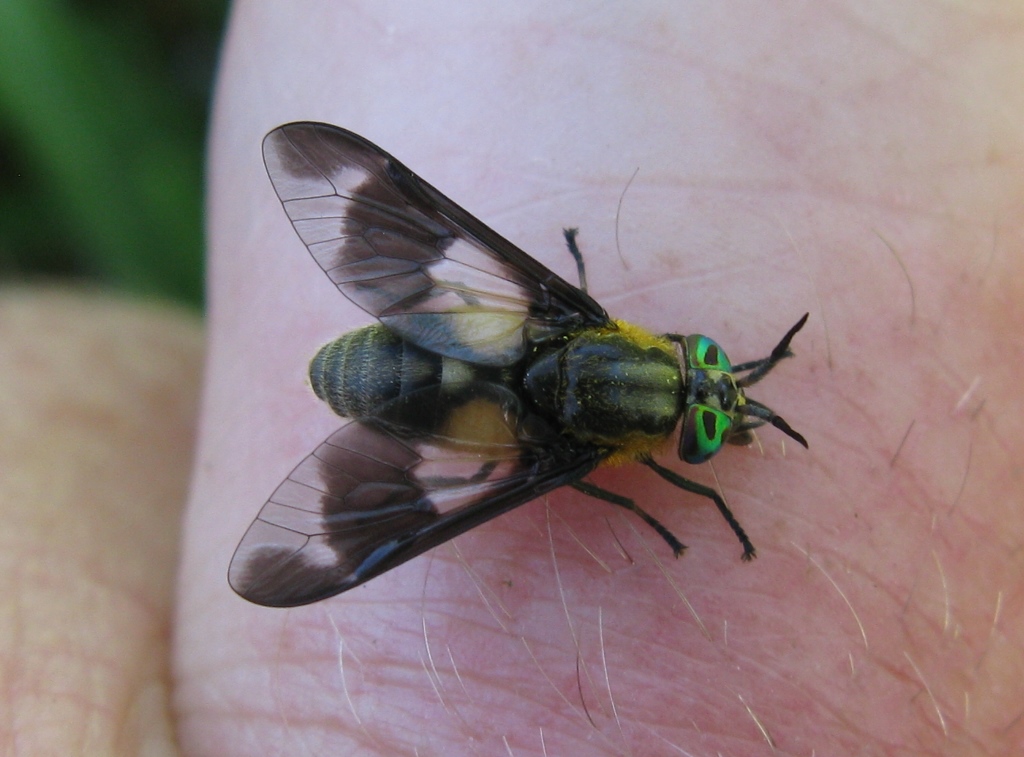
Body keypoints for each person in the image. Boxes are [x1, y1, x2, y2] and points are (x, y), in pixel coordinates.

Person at [4, 3, 1022, 754]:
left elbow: (413, 238)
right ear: (665, 361)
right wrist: (691, 503)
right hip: (429, 394)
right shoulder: (580, 453)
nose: (716, 392)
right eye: (715, 378)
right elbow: (589, 480)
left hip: (471, 339)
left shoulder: (572, 322)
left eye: (708, 397)